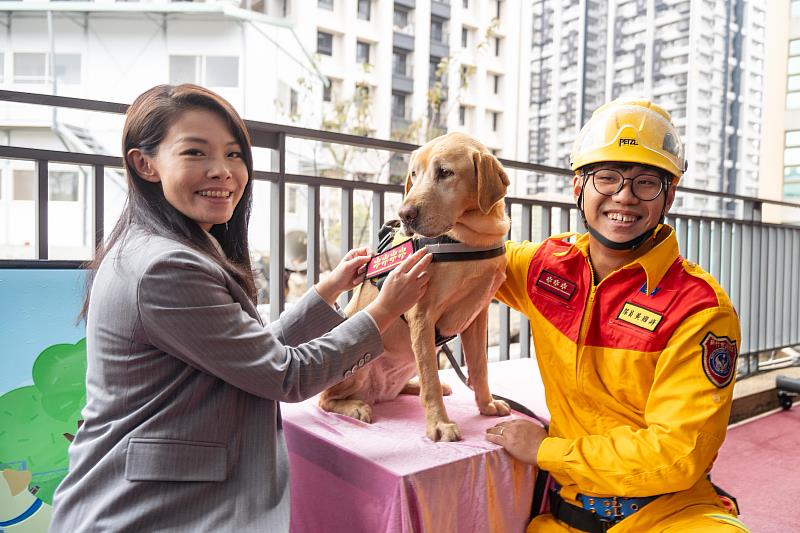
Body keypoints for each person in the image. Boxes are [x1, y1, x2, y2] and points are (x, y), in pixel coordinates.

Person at [49, 84, 432, 532]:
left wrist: (325, 294)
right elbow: (285, 376)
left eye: (234, 155)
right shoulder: (166, 267)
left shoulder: (160, 245)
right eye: (196, 153)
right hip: (150, 509)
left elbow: (247, 354)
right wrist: (383, 310)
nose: (223, 171)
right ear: (145, 164)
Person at [485, 98, 748, 532]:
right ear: (578, 187)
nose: (623, 197)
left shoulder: (700, 309)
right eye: (606, 178)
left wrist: (548, 452)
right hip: (565, 517)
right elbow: (473, 257)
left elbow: (678, 454)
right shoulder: (544, 267)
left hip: (671, 515)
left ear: (669, 196)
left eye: (646, 182)